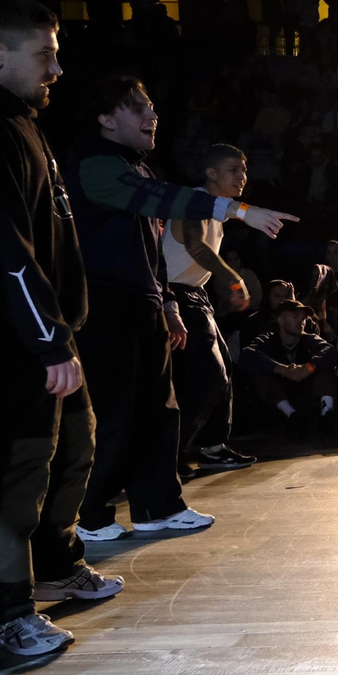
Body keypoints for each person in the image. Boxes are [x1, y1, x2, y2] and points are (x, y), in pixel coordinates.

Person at [0, 0, 122, 657]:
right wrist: (47, 339)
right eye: (45, 55)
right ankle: (6, 615)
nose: (56, 69)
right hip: (9, 338)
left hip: (44, 333)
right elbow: (0, 248)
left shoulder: (16, 120)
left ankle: (57, 566)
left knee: (71, 448)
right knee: (12, 470)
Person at [67, 76, 295, 543]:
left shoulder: (139, 170)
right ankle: (91, 515)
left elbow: (151, 250)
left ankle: (158, 506)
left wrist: (167, 301)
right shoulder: (96, 167)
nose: (152, 116)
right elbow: (164, 201)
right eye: (137, 109)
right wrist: (238, 210)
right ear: (106, 119)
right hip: (105, 305)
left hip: (147, 300)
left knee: (159, 407)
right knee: (115, 413)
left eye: (152, 107)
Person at [163, 143, 256, 475]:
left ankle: (213, 447)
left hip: (193, 294)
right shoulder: (194, 199)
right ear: (211, 173)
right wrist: (233, 279)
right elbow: (194, 243)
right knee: (207, 374)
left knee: (223, 371)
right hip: (172, 294)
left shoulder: (217, 208)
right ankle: (170, 452)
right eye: (234, 169)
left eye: (244, 170)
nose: (242, 176)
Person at [238, 300, 338, 436]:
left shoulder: (309, 339)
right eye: (295, 317)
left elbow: (331, 352)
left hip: (306, 394)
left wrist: (308, 368)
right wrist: (281, 369)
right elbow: (247, 355)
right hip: (281, 398)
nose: (301, 322)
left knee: (324, 367)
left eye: (303, 318)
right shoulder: (267, 340)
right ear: (280, 320)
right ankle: (291, 415)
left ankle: (327, 415)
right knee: (260, 373)